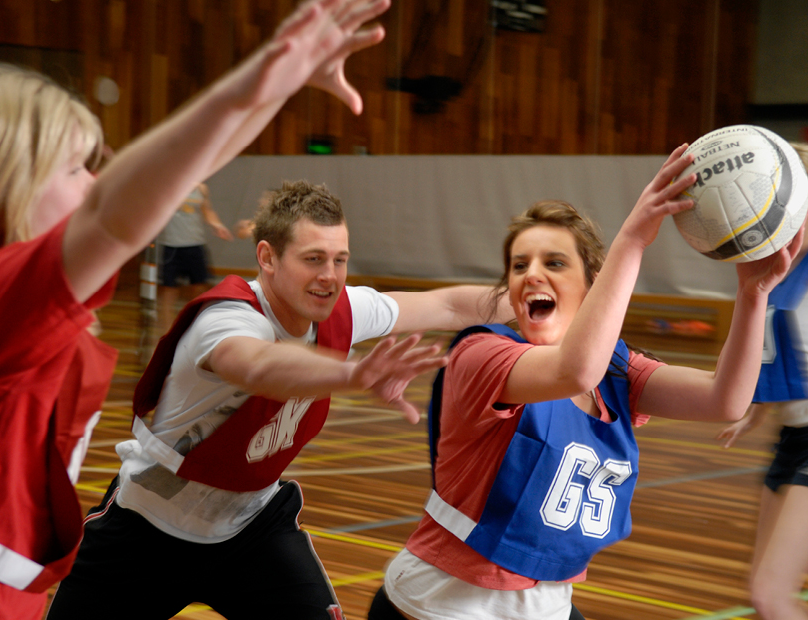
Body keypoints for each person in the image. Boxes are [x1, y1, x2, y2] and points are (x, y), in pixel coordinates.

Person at [0, 0, 398, 618]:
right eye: (76, 167)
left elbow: (177, 181)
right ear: (6, 181)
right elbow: (115, 213)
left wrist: (272, 83)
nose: (95, 184)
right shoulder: (2, 297)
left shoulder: (19, 305)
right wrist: (259, 76)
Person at [46, 176, 515, 620]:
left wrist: (541, 303)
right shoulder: (228, 318)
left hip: (251, 532)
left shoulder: (344, 309)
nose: (330, 276)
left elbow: (450, 305)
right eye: (313, 259)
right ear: (267, 257)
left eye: (340, 259)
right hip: (145, 535)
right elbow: (258, 366)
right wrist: (353, 373)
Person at [367, 145, 805, 620]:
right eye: (519, 265)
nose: (531, 274)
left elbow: (726, 399)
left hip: (547, 605)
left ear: (592, 284)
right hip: (443, 602)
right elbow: (573, 371)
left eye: (554, 263)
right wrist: (633, 239)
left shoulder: (617, 371)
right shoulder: (481, 355)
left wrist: (752, 293)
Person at [716, 144, 808, 620]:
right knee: (765, 594)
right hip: (792, 438)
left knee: (772, 597)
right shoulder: (778, 278)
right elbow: (782, 359)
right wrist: (756, 409)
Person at [159, 182, 234, 330]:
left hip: (195, 244)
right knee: (169, 290)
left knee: (199, 288)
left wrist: (217, 225)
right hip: (172, 246)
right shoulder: (168, 185)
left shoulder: (201, 188)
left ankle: (195, 327)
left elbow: (207, 211)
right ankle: (167, 331)